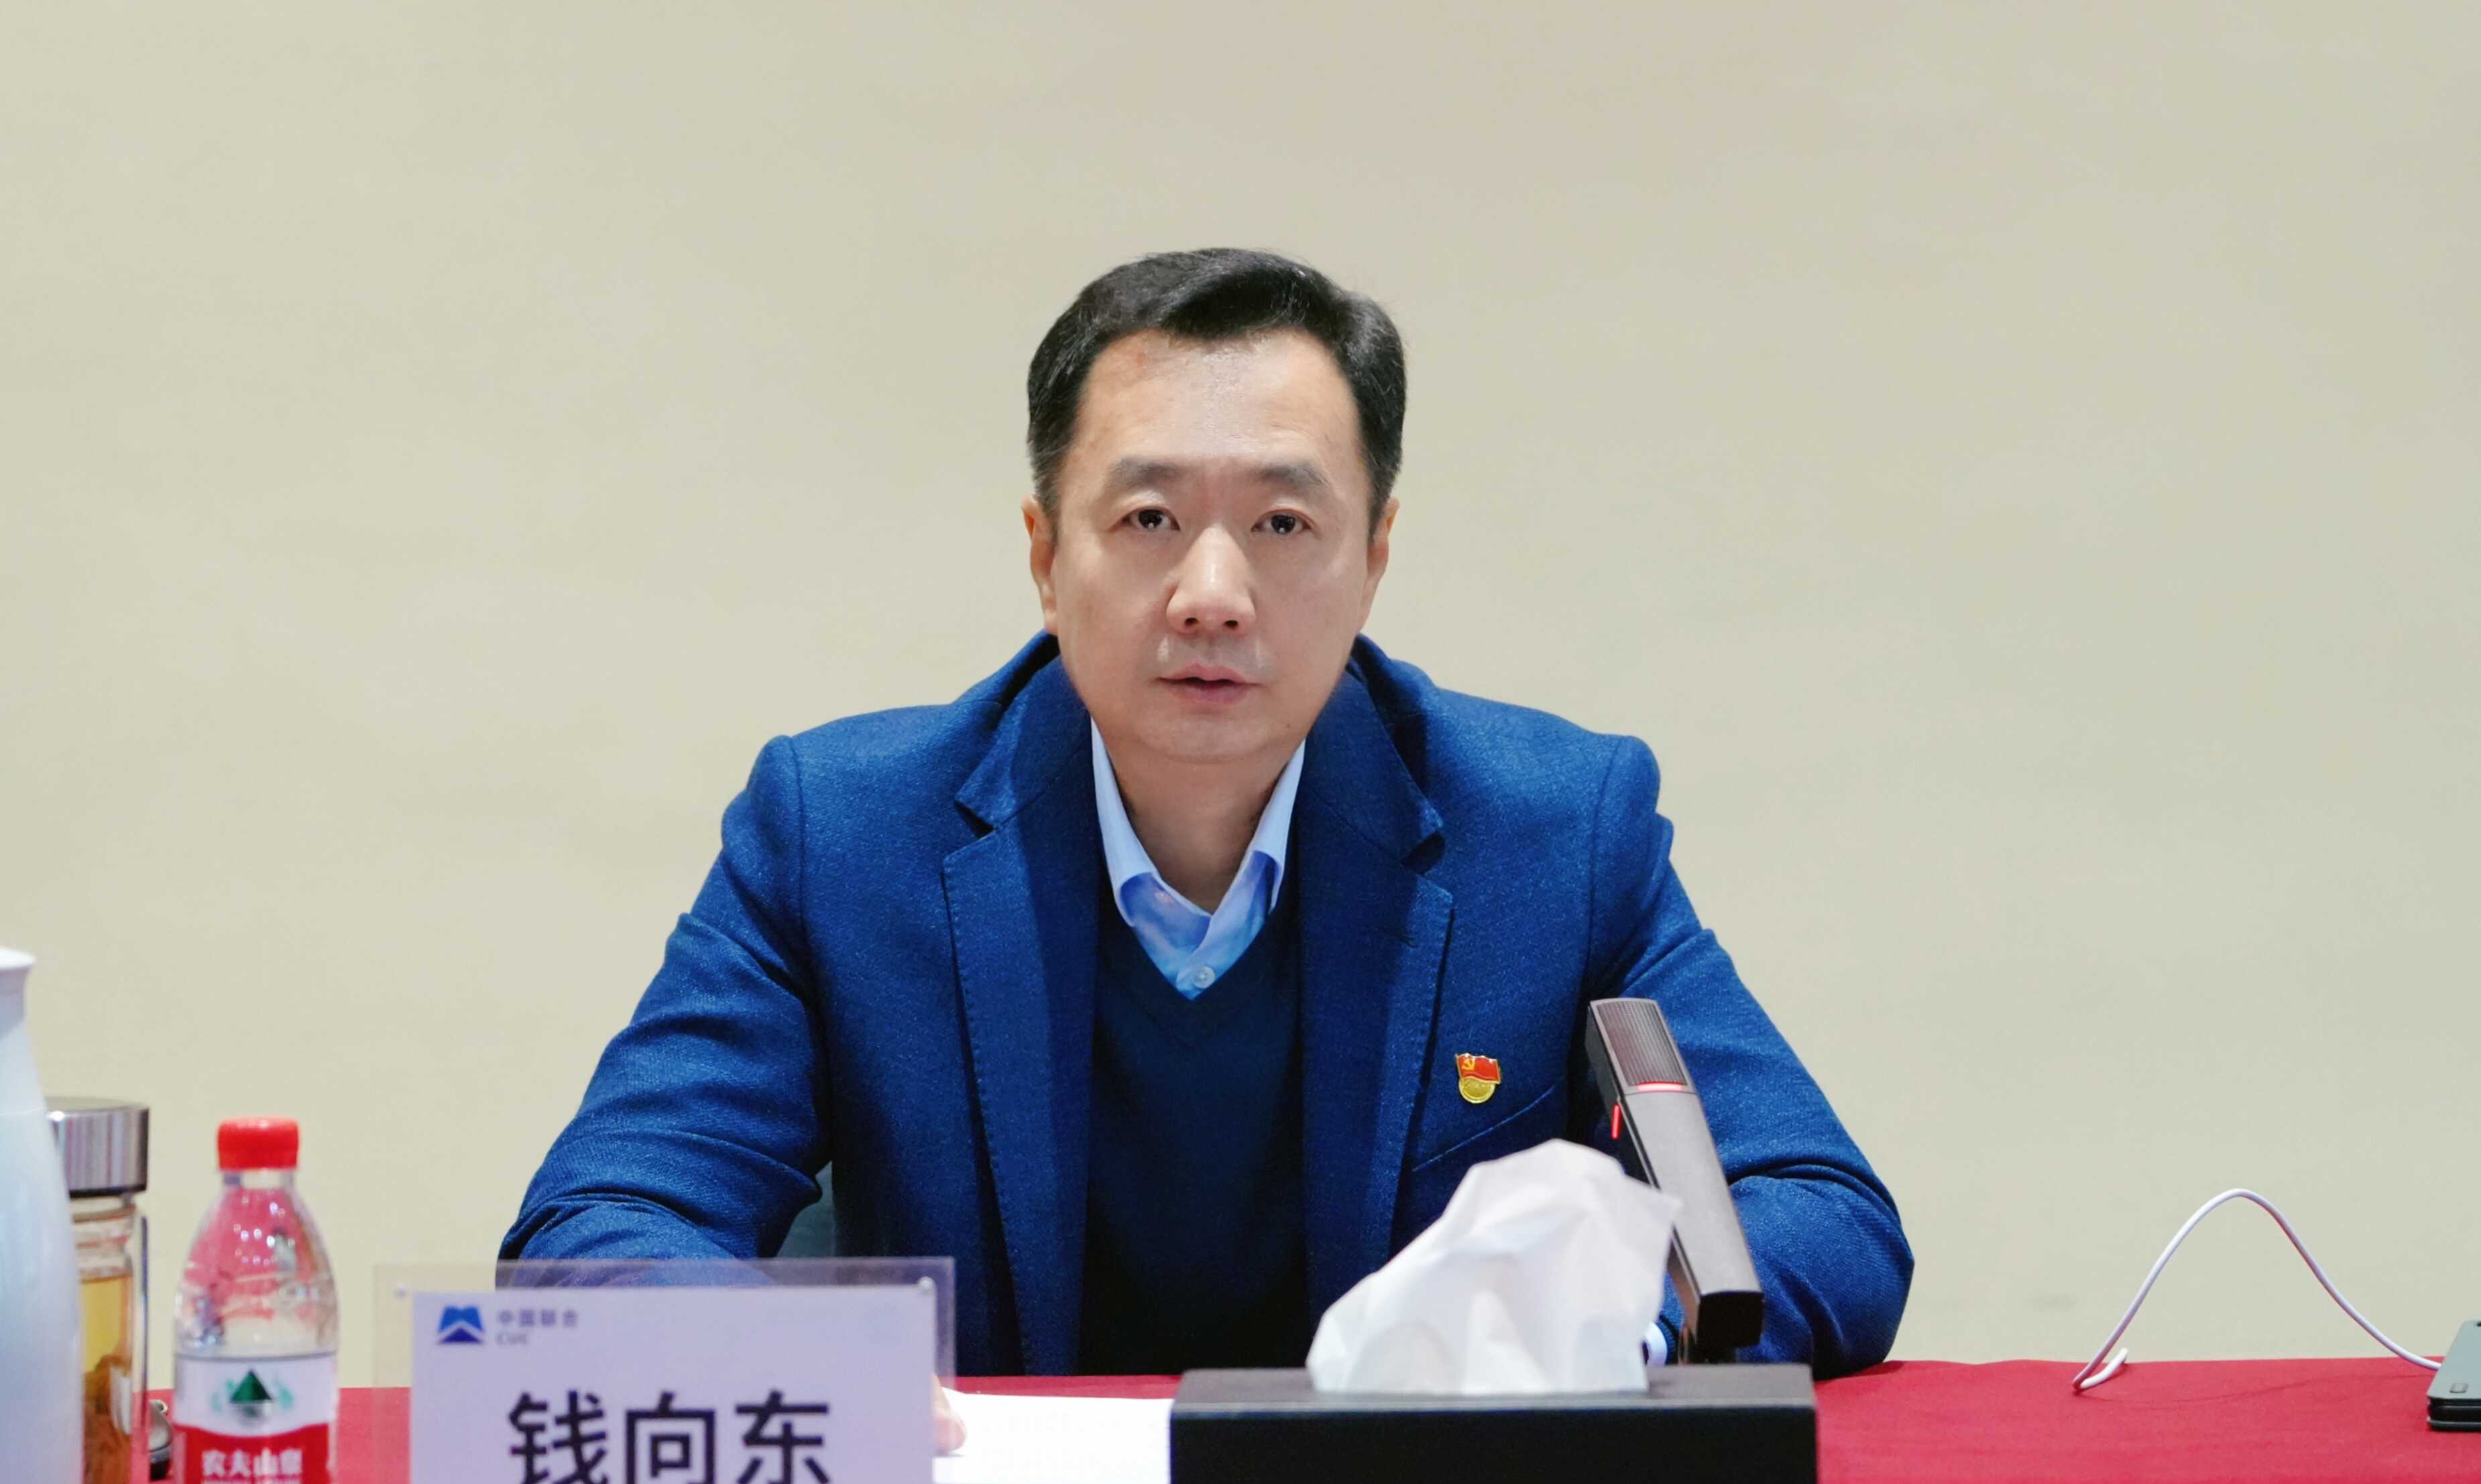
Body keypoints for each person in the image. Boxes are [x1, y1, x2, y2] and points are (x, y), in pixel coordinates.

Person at [504, 248, 1912, 1380]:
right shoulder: (841, 835)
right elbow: (602, 1222)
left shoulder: (1550, 831)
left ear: (1375, 556)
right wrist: (801, 1374)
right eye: (1148, 521)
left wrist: (1606, 1330)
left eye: (1283, 525)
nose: (1213, 594)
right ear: (1044, 556)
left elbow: (1812, 1207)